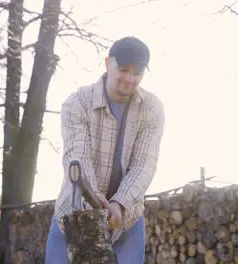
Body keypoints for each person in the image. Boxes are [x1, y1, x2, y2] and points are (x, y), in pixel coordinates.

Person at [45, 36, 165, 264]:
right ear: (108, 63)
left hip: (127, 219)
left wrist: (120, 204)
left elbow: (144, 164)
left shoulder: (153, 109)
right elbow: (76, 157)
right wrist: (94, 199)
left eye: (137, 73)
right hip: (74, 215)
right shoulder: (77, 103)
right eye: (123, 70)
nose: (130, 79)